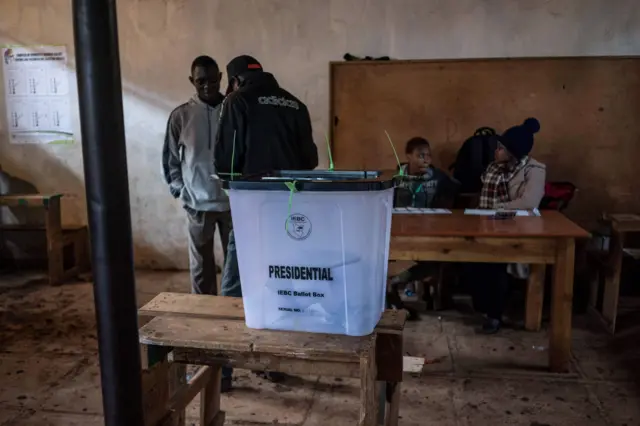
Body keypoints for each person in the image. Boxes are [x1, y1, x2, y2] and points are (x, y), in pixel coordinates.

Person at [214, 55, 318, 391]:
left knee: (235, 286)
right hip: (289, 210)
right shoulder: (295, 104)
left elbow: (225, 163)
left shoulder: (236, 101)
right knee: (281, 285)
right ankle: (273, 363)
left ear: (234, 81)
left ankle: (223, 373)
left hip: (252, 207)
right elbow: (310, 161)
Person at [162, 55, 231, 296]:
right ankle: (205, 313)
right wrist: (180, 189)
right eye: (201, 81)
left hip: (232, 203)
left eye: (213, 80)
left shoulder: (233, 110)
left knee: (237, 264)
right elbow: (170, 159)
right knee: (201, 267)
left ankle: (236, 313)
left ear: (221, 78)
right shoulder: (181, 116)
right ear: (192, 80)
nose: (207, 86)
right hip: (197, 203)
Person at [473, 117, 546, 334]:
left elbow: (529, 202)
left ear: (512, 153)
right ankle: (487, 308)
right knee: (475, 259)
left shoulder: (535, 170)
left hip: (521, 228)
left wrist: (498, 206)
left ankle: (494, 315)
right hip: (495, 224)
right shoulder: (496, 168)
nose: (496, 151)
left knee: (497, 262)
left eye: (501, 148)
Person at [388, 137, 459, 319]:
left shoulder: (439, 179)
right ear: (408, 156)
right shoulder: (394, 179)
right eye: (420, 155)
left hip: (427, 234)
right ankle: (391, 294)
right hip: (398, 234)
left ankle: (393, 284)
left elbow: (451, 203)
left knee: (435, 258)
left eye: (428, 156)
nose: (426, 160)